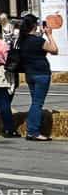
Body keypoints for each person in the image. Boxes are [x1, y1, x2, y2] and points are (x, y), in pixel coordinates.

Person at [15, 13, 58, 141]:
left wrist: (43, 35)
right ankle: (33, 131)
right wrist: (49, 35)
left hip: (29, 74)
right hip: (41, 73)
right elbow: (54, 50)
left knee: (35, 102)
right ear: (34, 25)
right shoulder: (38, 41)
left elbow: (35, 46)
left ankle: (33, 128)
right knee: (37, 103)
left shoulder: (22, 40)